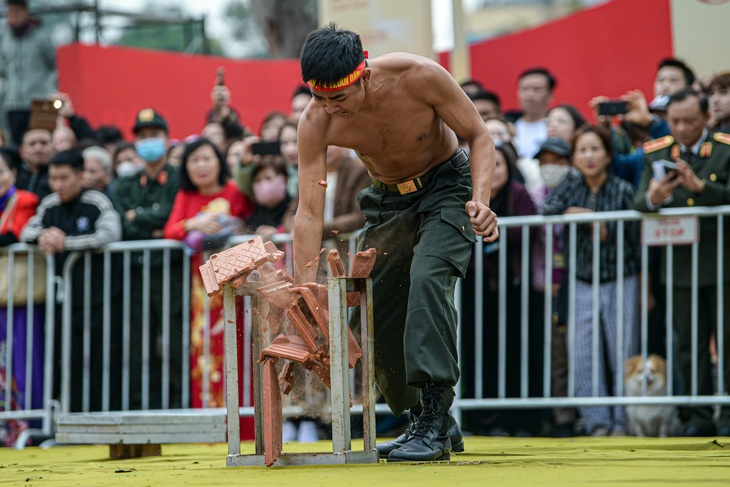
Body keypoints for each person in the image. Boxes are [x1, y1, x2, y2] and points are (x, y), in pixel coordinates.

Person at [294, 24, 498, 462]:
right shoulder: (314, 120)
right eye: (320, 99)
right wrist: (303, 289)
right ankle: (428, 419)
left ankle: (437, 410)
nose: (330, 109)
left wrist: (481, 200)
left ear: (362, 73)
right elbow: (309, 211)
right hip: (386, 200)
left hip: (447, 188)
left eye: (339, 99)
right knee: (373, 308)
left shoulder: (420, 76)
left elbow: (480, 135)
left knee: (427, 279)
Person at [634, 88, 730, 437]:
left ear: (706, 118)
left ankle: (728, 412)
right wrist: (653, 198)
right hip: (679, 266)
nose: (682, 128)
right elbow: (639, 200)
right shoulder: (657, 152)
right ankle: (699, 415)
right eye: (674, 121)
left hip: (722, 260)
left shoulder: (724, 148)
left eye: (690, 120)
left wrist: (704, 189)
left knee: (728, 339)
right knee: (689, 344)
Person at [542, 125, 640, 436]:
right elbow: (547, 209)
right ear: (574, 158)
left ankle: (624, 421)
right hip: (581, 279)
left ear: (609, 155)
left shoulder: (622, 189)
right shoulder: (571, 186)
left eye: (595, 149)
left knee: (624, 351)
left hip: (621, 278)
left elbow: (639, 244)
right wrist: (581, 213)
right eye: (582, 150)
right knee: (582, 353)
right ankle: (597, 421)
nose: (589, 156)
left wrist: (646, 288)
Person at [20, 149, 122, 412]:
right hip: (60, 300)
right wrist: (44, 237)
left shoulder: (96, 202)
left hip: (96, 298)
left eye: (64, 178)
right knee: (63, 359)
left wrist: (67, 242)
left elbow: (110, 234)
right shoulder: (49, 204)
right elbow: (27, 231)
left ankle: (100, 416)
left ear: (80, 176)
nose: (58, 185)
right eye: (53, 178)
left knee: (98, 360)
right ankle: (65, 416)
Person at [162, 138, 254, 408]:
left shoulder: (235, 192)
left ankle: (243, 423)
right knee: (203, 350)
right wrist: (192, 223)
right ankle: (209, 421)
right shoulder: (185, 197)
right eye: (194, 160)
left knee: (238, 348)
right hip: (202, 293)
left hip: (236, 287)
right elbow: (171, 231)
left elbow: (250, 226)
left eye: (207, 158)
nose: (201, 165)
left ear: (219, 161)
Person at [459, 142, 539, 436]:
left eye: (499, 165)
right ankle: (481, 421)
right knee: (478, 352)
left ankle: (517, 420)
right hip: (474, 289)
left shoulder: (519, 194)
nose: (493, 172)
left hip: (514, 289)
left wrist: (497, 230)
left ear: (510, 167)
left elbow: (531, 230)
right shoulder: (465, 198)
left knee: (515, 352)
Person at [110, 108, 184, 410]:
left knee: (177, 338)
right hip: (138, 272)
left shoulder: (180, 178)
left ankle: (182, 404)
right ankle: (146, 406)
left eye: (153, 135)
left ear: (166, 139)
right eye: (141, 136)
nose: (148, 141)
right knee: (140, 341)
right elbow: (123, 226)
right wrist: (152, 225)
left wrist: (141, 217)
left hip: (173, 271)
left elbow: (171, 217)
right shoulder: (125, 184)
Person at [0, 146, 41, 445]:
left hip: (20, 297)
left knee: (24, 360)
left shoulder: (24, 199)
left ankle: (30, 422)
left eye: (1, 171)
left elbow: (15, 234)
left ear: (13, 174)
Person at [0, 0, 57, 145]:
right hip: (13, 103)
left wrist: (50, 90)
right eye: (10, 13)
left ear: (26, 12)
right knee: (17, 144)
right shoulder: (4, 38)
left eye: (17, 12)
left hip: (41, 101)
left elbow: (55, 65)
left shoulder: (41, 36)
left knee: (44, 142)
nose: (13, 17)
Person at [512, 67, 556, 159]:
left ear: (550, 95)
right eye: (524, 89)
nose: (529, 94)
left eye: (537, 89)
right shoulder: (509, 125)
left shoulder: (556, 127)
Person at [15, 127, 53, 200]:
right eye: (32, 144)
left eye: (44, 143)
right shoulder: (14, 175)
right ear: (22, 152)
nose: (38, 148)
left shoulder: (61, 175)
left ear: (53, 148)